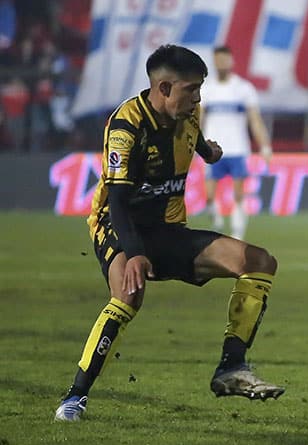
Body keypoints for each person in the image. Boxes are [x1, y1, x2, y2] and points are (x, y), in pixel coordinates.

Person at [54, 44, 285, 422]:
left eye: (200, 89)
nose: (197, 97)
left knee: (260, 262)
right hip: (118, 225)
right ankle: (75, 397)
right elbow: (118, 200)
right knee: (129, 297)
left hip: (168, 229)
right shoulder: (127, 125)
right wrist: (134, 253)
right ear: (163, 88)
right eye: (191, 89)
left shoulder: (188, 115)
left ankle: (231, 367)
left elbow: (197, 143)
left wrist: (210, 152)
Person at [200, 45, 272, 240]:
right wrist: (193, 145)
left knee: (239, 194)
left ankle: (238, 233)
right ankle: (216, 220)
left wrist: (264, 145)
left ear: (231, 61)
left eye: (224, 59)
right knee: (209, 196)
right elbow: (198, 120)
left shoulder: (243, 89)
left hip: (238, 148)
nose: (221, 63)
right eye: (218, 60)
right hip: (212, 149)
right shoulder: (207, 90)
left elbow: (255, 119)